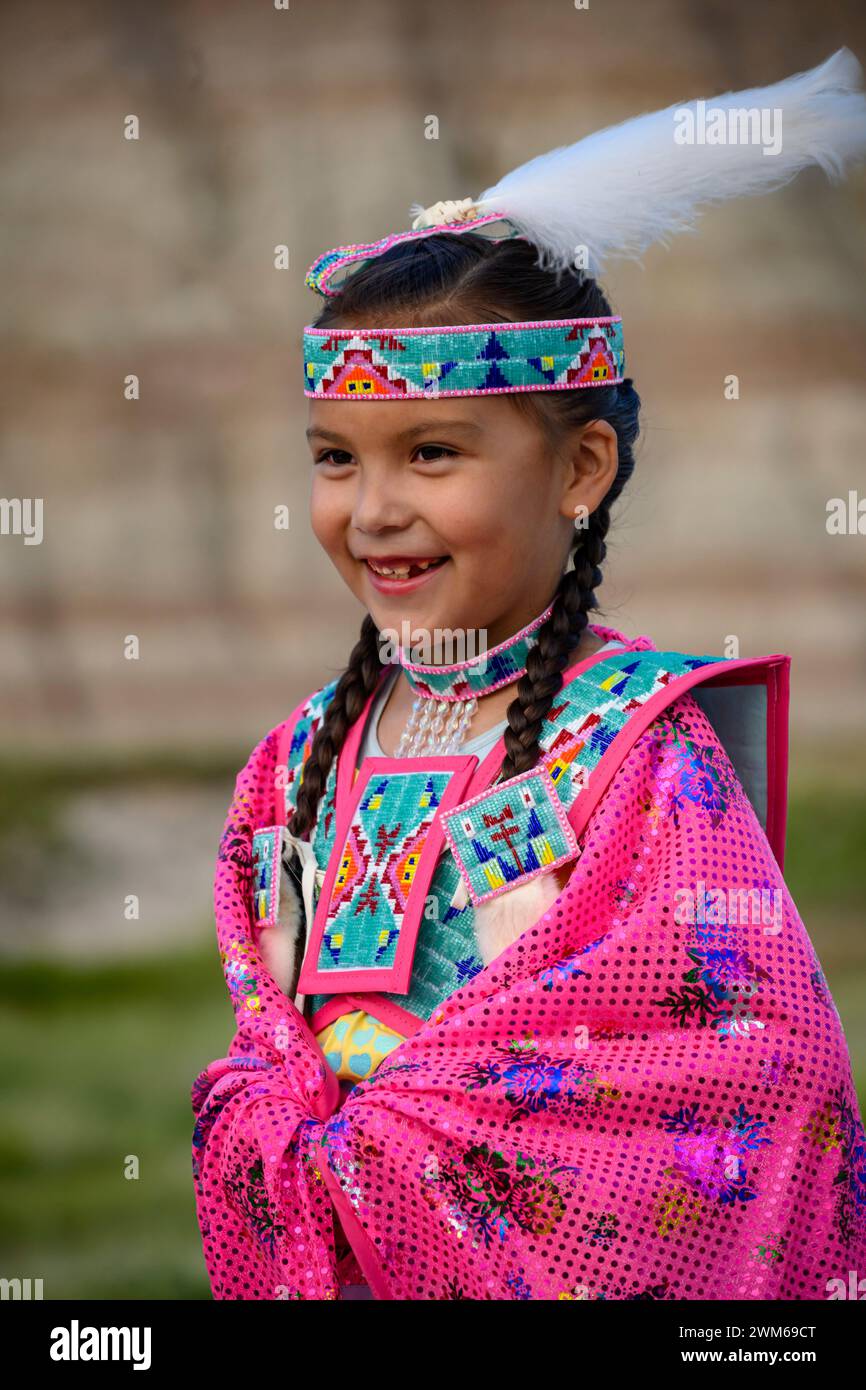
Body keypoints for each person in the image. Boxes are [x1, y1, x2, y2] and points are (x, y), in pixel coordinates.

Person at [191, 49, 866, 1300]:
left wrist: (425, 1128)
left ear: (580, 469)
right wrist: (298, 1128)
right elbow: (255, 1054)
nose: (373, 509)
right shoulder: (298, 763)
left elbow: (755, 1080)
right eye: (335, 458)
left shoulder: (635, 747)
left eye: (432, 452)